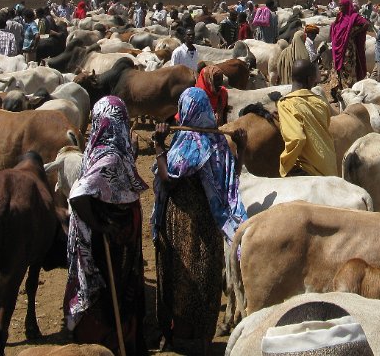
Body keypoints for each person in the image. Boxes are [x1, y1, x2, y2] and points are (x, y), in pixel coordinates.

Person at [151, 87, 247, 352]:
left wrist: (159, 146)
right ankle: (203, 336)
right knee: (206, 277)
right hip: (209, 227)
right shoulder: (217, 144)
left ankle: (181, 337)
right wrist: (241, 150)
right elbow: (230, 182)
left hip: (182, 223)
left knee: (183, 277)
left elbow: (168, 180)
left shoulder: (189, 144)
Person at [64, 96, 148, 355]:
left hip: (115, 241)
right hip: (109, 247)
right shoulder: (110, 157)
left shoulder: (99, 149)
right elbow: (78, 194)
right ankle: (108, 343)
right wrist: (100, 226)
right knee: (111, 296)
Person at [278, 60, 337, 177]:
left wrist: (285, 165)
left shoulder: (286, 104)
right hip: (330, 165)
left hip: (310, 171)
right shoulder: (320, 102)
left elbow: (297, 138)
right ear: (310, 79)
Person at [329, 0, 369, 98]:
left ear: (346, 6)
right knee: (336, 69)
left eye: (341, 5)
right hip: (337, 49)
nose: (339, 7)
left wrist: (353, 32)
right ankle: (337, 94)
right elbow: (336, 28)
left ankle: (349, 95)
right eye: (339, 5)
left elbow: (366, 24)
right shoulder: (339, 16)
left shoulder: (354, 17)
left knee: (347, 71)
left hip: (348, 50)